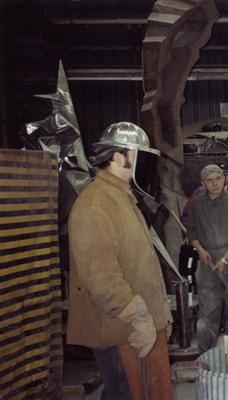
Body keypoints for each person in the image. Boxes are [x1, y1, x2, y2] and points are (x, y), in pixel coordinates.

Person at [67, 122, 173, 400]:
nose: (145, 165)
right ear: (117, 157)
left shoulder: (121, 198)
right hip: (120, 332)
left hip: (136, 329)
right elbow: (101, 277)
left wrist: (160, 314)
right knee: (125, 394)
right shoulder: (95, 205)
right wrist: (139, 318)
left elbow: (140, 264)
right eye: (141, 156)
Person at [187, 164, 228, 354]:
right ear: (203, 183)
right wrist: (199, 250)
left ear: (225, 179)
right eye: (209, 180)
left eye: (218, 179)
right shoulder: (196, 203)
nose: (214, 184)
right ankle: (206, 355)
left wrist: (224, 260)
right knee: (208, 310)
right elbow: (192, 231)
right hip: (207, 261)